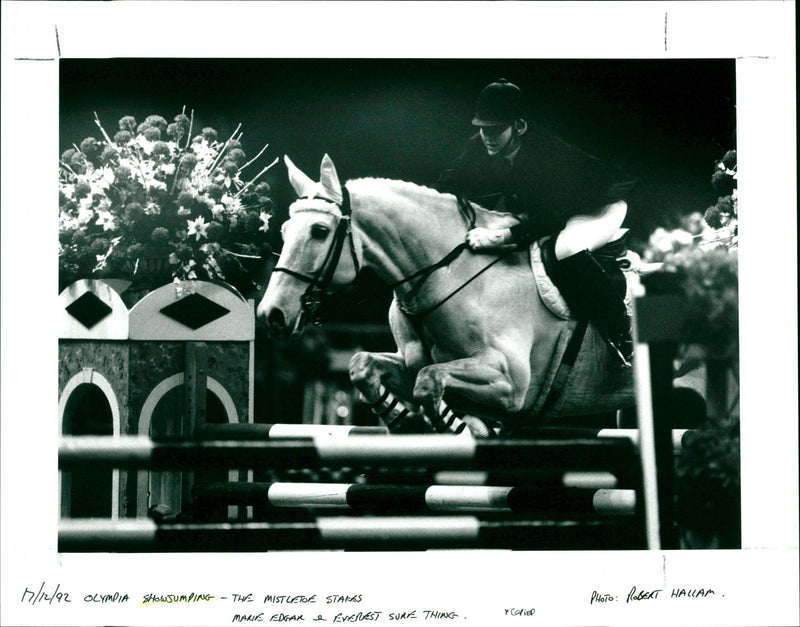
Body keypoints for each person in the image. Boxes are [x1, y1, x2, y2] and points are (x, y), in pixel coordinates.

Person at [435, 78, 637, 364]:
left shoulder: (547, 154)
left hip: (599, 206)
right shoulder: (480, 145)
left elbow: (550, 219)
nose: (487, 137)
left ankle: (622, 332)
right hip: (552, 210)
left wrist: (499, 237)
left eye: (495, 129)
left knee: (565, 250)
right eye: (482, 129)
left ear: (519, 126)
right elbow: (448, 183)